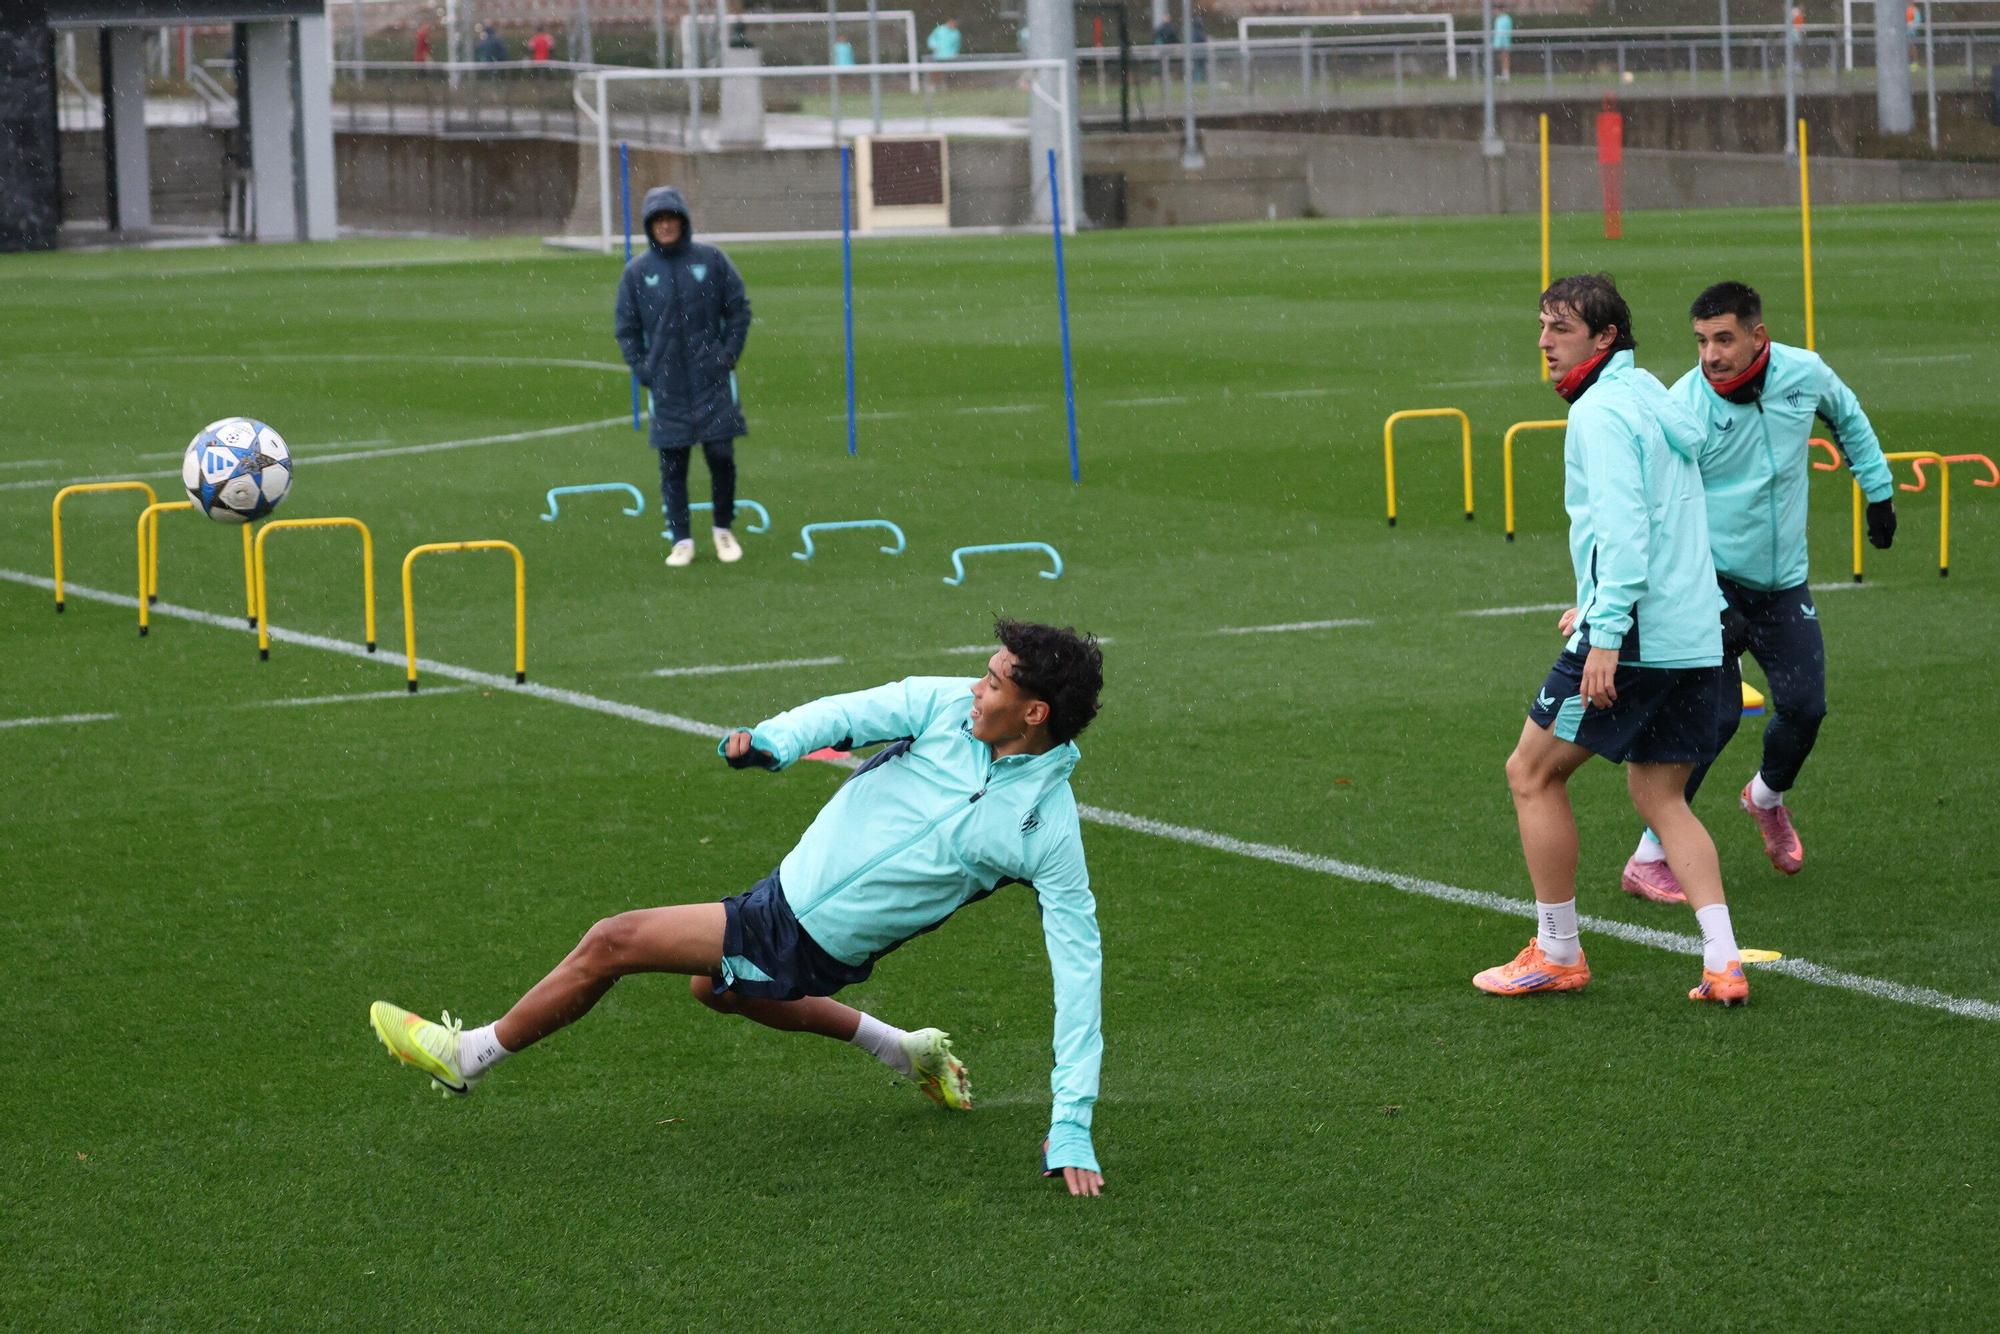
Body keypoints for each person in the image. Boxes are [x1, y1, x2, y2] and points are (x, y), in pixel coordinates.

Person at [369, 620, 1110, 1197]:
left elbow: (1079, 973)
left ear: (1033, 711)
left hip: (809, 938)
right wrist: (773, 743)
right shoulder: (947, 707)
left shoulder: (1044, 829)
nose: (975, 687)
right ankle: (904, 1049)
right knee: (714, 989)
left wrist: (1071, 1122)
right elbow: (848, 712)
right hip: (782, 892)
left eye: (993, 683)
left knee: (613, 942)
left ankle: (469, 1058)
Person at [1477, 273, 1749, 1006]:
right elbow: (1663, 515)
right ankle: (1724, 962)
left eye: (1561, 328)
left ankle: (1558, 951)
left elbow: (1625, 529)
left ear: (1604, 338)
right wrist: (1598, 602)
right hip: (1696, 631)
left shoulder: (1598, 413)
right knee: (1662, 796)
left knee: (1531, 773)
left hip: (1635, 637)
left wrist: (1605, 629)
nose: (1544, 342)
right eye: (1542, 325)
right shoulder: (1651, 392)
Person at [1619, 281, 1896, 904]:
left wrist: (1878, 490)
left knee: (1805, 707)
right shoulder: (1685, 406)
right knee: (1713, 718)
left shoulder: (1804, 374)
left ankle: (1765, 797)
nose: (1710, 355)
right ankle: (1649, 856)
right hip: (1709, 583)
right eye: (1701, 341)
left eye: (1723, 339)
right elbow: (1663, 511)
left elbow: (1848, 418)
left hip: (1783, 581)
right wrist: (1712, 602)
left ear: (1757, 336)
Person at [612, 186, 753, 569]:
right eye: (658, 221)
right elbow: (626, 328)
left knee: (721, 456)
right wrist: (644, 368)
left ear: (683, 221)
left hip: (712, 379)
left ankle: (723, 530)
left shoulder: (711, 260)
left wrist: (727, 355)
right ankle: (681, 540)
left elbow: (738, 309)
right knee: (672, 464)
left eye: (670, 219)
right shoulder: (637, 273)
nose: (665, 226)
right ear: (649, 227)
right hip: (667, 384)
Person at [1492, 5, 1514, 82]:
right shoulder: (1498, 19)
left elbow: (1506, 31)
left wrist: (1503, 41)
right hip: (1499, 42)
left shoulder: (1506, 18)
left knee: (1505, 58)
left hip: (1504, 42)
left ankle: (1506, 75)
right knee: (1502, 58)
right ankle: (1504, 74)